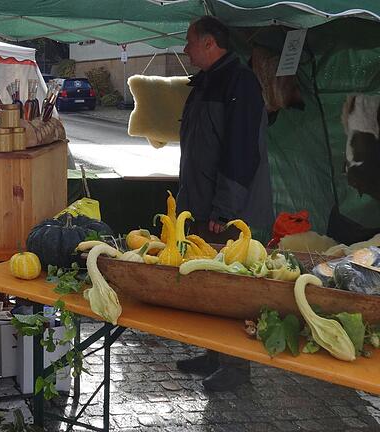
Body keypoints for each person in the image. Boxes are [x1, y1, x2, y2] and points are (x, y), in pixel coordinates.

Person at [176, 16, 273, 391]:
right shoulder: (207, 82)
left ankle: (237, 370)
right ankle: (213, 354)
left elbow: (241, 152)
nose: (185, 49)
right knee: (209, 285)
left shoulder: (240, 84)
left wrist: (224, 210)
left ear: (210, 44)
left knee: (232, 291)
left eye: (189, 42)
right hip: (205, 206)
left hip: (231, 214)